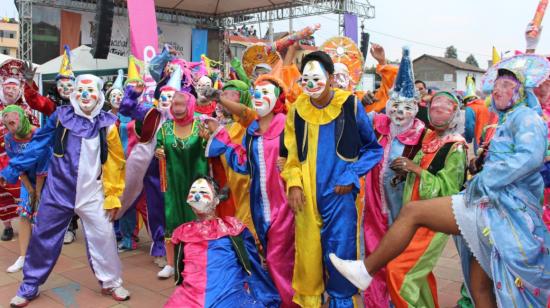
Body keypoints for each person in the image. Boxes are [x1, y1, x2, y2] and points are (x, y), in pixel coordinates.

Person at [330, 68, 550, 308]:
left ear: (521, 91)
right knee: (479, 288)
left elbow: (530, 157)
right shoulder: (501, 121)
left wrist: (486, 178)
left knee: (412, 217)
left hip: (501, 211)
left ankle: (365, 270)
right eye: (496, 85)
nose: (498, 89)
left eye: (507, 85)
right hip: (489, 207)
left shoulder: (525, 117)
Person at [4, 74, 130, 307]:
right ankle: (30, 284)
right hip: (58, 190)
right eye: (80, 90)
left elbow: (115, 161)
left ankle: (111, 281)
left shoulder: (108, 123)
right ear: (73, 93)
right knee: (43, 237)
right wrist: (15, 167)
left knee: (104, 236)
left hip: (93, 192)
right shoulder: (61, 117)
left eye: (90, 90)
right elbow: (38, 144)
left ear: (100, 94)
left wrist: (113, 195)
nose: (85, 95)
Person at [282, 50, 383, 307]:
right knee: (307, 255)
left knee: (340, 254)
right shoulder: (296, 109)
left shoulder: (349, 104)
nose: (312, 85)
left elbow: (373, 149)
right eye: (306, 80)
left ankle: (340, 303)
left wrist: (350, 175)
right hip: (304, 193)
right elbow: (291, 154)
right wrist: (293, 183)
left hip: (339, 194)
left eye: (317, 78)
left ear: (329, 77)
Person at [203, 75, 297, 307]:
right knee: (271, 256)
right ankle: (278, 295)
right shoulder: (253, 130)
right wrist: (222, 135)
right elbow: (243, 163)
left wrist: (291, 164)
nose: (259, 97)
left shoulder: (289, 124)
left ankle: (288, 302)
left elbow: (303, 155)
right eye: (257, 93)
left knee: (276, 257)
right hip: (259, 204)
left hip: (284, 203)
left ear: (277, 99)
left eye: (266, 93)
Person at [362, 47, 426, 307]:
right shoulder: (377, 123)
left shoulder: (423, 135)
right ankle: (376, 301)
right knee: (375, 254)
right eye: (395, 105)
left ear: (416, 107)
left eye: (407, 106)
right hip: (376, 208)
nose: (400, 112)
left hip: (405, 210)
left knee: (403, 260)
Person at [165, 176, 280, 308]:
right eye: (193, 192)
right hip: (191, 295)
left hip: (228, 293)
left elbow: (251, 263)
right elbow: (181, 271)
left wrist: (257, 288)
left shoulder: (233, 228)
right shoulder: (183, 232)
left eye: (203, 192)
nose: (197, 197)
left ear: (216, 199)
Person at [155, 90, 208, 279]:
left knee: (197, 218)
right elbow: (159, 146)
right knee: (172, 218)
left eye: (181, 104)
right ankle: (171, 263)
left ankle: (197, 261)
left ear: (190, 106)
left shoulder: (200, 126)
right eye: (174, 104)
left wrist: (208, 139)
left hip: (196, 184)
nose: (177, 108)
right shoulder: (165, 128)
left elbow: (211, 150)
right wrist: (159, 151)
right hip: (174, 183)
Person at [3, 105, 48, 273]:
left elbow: (45, 162)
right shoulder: (9, 138)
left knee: (42, 214)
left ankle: (43, 255)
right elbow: (16, 162)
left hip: (46, 178)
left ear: (22, 118)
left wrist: (38, 191)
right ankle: (23, 256)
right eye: (7, 123)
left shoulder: (38, 134)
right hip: (27, 180)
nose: (10, 126)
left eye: (13, 121)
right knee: (24, 213)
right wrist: (29, 188)